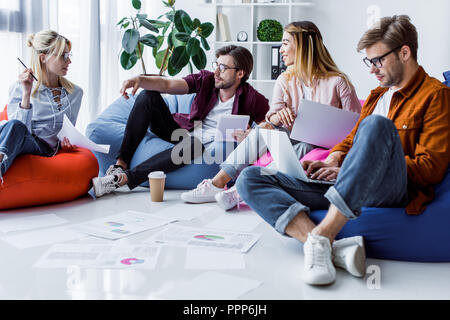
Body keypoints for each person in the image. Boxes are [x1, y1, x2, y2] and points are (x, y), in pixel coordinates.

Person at [235, 15, 450, 286]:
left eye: (377, 60)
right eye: (369, 62)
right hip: (347, 182)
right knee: (249, 178)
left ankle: (324, 235)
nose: (372, 70)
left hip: (392, 188)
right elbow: (350, 141)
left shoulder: (435, 95)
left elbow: (430, 168)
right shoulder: (377, 95)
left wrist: (356, 167)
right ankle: (326, 247)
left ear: (404, 52)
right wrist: (336, 158)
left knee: (376, 126)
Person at [181, 21, 361, 210]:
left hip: (326, 143)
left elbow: (356, 124)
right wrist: (278, 116)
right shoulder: (285, 80)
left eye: (285, 43)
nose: (281, 49)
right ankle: (217, 183)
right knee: (262, 130)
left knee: (306, 145)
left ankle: (239, 191)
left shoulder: (338, 82)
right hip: (291, 134)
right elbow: (271, 118)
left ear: (301, 46)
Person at [92, 45, 269, 197]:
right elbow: (168, 85)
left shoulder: (252, 98)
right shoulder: (205, 80)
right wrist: (140, 80)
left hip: (202, 147)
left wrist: (251, 133)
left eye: (222, 68)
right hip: (182, 133)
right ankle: (119, 165)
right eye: (216, 65)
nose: (216, 71)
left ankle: (124, 179)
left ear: (240, 73)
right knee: (148, 96)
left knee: (194, 144)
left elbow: (268, 125)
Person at [0, 30, 83, 183]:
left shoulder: (75, 93)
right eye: (63, 56)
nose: (69, 62)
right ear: (43, 58)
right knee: (13, 126)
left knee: (12, 127)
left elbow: (68, 131)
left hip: (43, 149)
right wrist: (26, 93)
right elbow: (21, 131)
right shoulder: (19, 87)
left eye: (69, 56)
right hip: (21, 140)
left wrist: (68, 144)